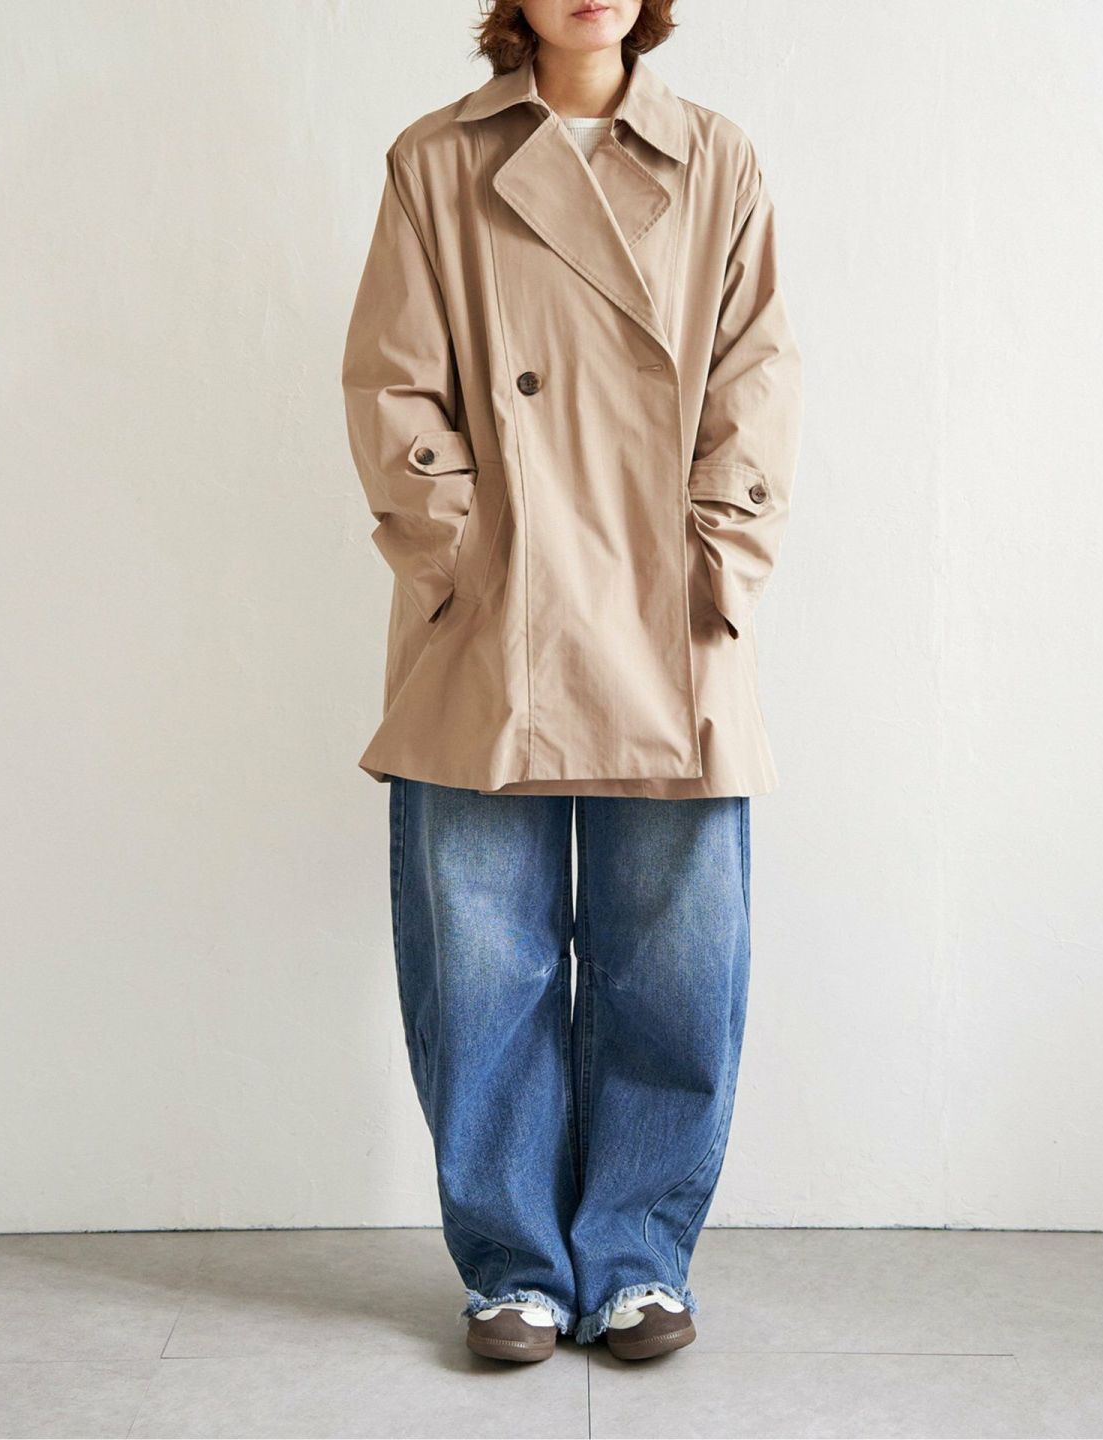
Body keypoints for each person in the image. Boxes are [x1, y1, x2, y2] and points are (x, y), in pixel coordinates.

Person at [341, 0, 803, 1363]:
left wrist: (717, 558)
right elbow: (392, 387)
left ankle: (641, 1260)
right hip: (497, 623)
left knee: (677, 967)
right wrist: (469, 559)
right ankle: (515, 1269)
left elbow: (758, 380)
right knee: (484, 968)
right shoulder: (437, 161)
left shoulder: (718, 158)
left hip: (672, 621)